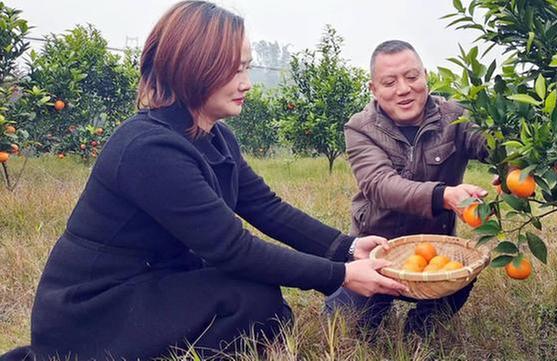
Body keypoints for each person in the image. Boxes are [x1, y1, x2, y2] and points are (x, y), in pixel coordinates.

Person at [0, 2, 406, 360]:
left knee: (260, 304)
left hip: (152, 281)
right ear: (193, 66)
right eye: (235, 68)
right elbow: (232, 248)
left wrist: (347, 247)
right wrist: (341, 276)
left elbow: (265, 207)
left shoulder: (213, 136)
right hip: (94, 310)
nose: (246, 81)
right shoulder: (148, 147)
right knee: (254, 301)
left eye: (246, 66)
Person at [324, 40, 488, 337]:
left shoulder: (456, 117)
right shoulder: (360, 127)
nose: (403, 89)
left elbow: (492, 145)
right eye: (390, 82)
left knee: (453, 286)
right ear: (374, 89)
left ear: (425, 75)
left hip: (433, 252)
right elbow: (380, 185)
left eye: (412, 77)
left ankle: (420, 326)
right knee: (345, 327)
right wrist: (444, 195)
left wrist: (513, 162)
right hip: (378, 252)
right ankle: (375, 302)